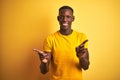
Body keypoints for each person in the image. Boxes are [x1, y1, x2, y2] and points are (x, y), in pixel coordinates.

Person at [33, 5, 90, 80]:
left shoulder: (81, 37)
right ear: (58, 18)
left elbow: (85, 67)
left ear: (73, 19)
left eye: (68, 17)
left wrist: (81, 57)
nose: (64, 19)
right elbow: (44, 71)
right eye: (62, 17)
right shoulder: (50, 39)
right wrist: (44, 62)